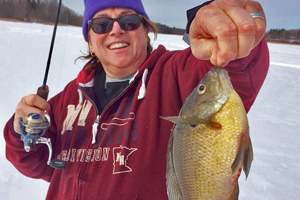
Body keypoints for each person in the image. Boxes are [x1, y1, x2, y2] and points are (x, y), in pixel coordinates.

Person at [4, 0, 269, 199]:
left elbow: (231, 67)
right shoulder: (67, 99)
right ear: (90, 40)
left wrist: (231, 29)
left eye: (129, 21)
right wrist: (19, 131)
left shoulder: (176, 74)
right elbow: (37, 162)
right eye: (102, 24)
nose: (116, 30)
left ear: (145, 31)